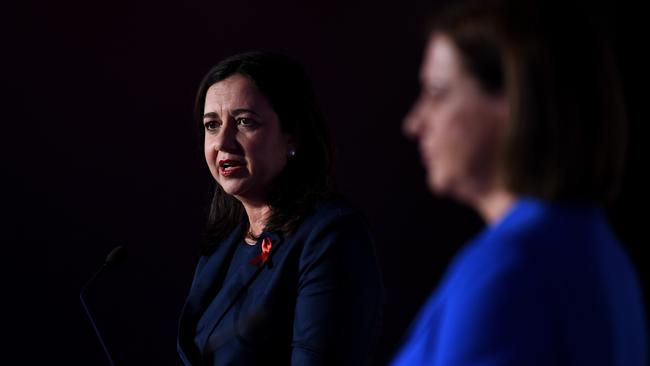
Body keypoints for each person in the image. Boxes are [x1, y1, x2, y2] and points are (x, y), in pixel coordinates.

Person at [392, 0, 647, 365]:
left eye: (437, 92)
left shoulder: (510, 266)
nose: (415, 122)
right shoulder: (603, 253)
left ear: (512, 97)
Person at [177, 51, 383, 365]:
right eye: (212, 125)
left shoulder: (331, 236)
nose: (223, 142)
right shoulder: (223, 245)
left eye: (245, 122)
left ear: (292, 136)